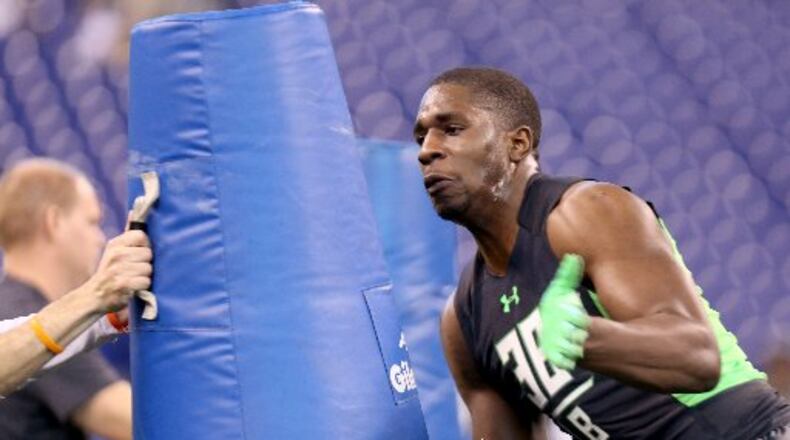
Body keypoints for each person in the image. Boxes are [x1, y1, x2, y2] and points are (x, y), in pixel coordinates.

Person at [415, 67, 790, 439]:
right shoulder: (464, 321)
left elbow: (698, 359)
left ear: (518, 144)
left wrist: (587, 339)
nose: (427, 151)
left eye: (451, 129)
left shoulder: (587, 212)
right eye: (421, 137)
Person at [0, 158, 147, 440]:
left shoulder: (16, 309)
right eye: (92, 222)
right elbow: (134, 423)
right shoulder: (32, 314)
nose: (100, 238)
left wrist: (108, 317)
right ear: (53, 221)